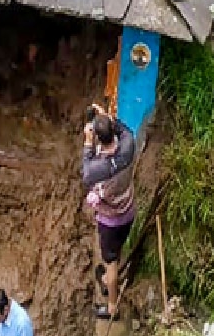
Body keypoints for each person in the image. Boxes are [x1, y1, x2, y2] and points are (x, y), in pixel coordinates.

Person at [82, 105, 136, 320]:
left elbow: (86, 172)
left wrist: (87, 142)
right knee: (116, 249)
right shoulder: (128, 147)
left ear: (96, 136)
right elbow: (126, 131)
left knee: (110, 262)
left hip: (110, 222)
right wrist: (109, 118)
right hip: (128, 211)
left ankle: (112, 305)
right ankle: (109, 275)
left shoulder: (97, 169)